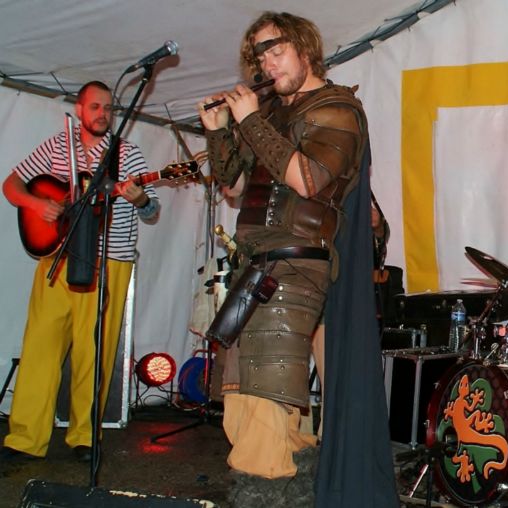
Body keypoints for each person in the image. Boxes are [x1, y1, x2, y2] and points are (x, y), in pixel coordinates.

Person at [198, 11, 396, 506]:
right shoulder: (269, 116)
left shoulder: (338, 108)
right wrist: (221, 130)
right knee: (246, 392)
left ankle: (267, 492)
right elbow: (235, 184)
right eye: (259, 56)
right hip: (257, 264)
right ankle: (292, 484)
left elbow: (308, 180)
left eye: (276, 50)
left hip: (297, 263)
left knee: (265, 391)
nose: (267, 63)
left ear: (305, 48)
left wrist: (247, 122)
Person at [0, 81, 159, 464]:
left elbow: (152, 213)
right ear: (80, 108)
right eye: (95, 107)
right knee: (40, 346)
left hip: (109, 261)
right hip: (58, 257)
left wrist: (141, 199)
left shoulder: (128, 155)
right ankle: (24, 439)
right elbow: (11, 184)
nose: (103, 114)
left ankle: (84, 437)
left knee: (95, 350)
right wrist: (37, 204)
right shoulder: (59, 146)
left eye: (109, 108)